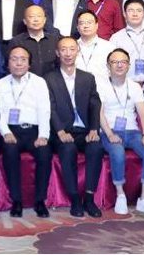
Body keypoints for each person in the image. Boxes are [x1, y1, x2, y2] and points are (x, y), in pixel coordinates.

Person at [98, 48, 144, 216]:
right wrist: (110, 134)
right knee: (117, 152)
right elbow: (99, 113)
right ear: (108, 66)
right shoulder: (101, 85)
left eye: (123, 62)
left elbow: (143, 113)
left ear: (128, 65)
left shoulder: (134, 86)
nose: (119, 65)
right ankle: (120, 195)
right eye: (115, 62)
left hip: (133, 132)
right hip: (109, 130)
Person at [44, 37, 103, 217]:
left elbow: (95, 104)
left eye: (72, 49)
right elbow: (50, 107)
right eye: (63, 49)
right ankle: (75, 199)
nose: (68, 53)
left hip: (84, 130)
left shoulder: (88, 78)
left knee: (96, 148)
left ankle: (89, 198)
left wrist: (94, 128)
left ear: (78, 51)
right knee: (68, 149)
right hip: (61, 131)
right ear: (57, 53)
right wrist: (60, 131)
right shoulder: (49, 78)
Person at [0, 45, 52, 218]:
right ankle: (17, 201)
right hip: (11, 130)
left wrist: (43, 135)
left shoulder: (39, 82)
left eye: (23, 59)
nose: (18, 63)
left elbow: (45, 110)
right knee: (10, 151)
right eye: (14, 59)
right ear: (8, 63)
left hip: (34, 130)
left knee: (45, 153)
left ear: (29, 64)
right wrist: (5, 132)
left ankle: (40, 201)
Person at [110, 0, 144, 83]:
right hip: (125, 83)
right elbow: (111, 64)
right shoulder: (116, 38)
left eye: (139, 11)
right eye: (131, 10)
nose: (135, 14)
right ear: (124, 14)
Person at [12, 5, 60, 77]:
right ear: (25, 21)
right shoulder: (16, 41)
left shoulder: (54, 40)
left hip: (51, 81)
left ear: (44, 20)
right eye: (31, 17)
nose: (36, 20)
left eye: (39, 16)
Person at [74, 11, 116, 79]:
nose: (86, 26)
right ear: (77, 27)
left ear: (97, 25)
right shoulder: (72, 47)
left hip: (101, 85)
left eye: (89, 22)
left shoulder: (109, 47)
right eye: (82, 23)